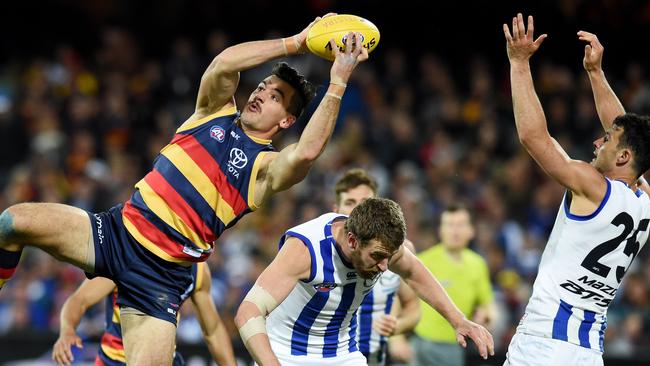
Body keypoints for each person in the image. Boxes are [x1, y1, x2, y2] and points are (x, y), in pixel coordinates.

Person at [0, 13, 369, 365]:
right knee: (11, 223)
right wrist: (296, 43)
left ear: (287, 120)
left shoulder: (264, 169)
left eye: (275, 97)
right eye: (261, 87)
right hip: (115, 232)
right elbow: (224, 64)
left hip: (160, 278)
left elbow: (305, 153)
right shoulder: (213, 111)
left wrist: (337, 82)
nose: (259, 95)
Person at [502, 13, 650, 366]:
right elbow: (626, 130)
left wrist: (519, 64)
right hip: (586, 351)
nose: (599, 141)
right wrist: (595, 73)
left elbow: (533, 138)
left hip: (543, 344)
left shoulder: (592, 185)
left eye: (608, 141)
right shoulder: (645, 198)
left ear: (624, 155)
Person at [234, 197, 494, 366]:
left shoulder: (383, 247)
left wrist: (458, 319)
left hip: (343, 355)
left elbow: (415, 273)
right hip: (284, 355)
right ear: (352, 241)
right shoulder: (306, 249)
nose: (384, 267)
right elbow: (248, 312)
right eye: (378, 257)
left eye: (389, 258)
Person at [51, 263, 236, 366]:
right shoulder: (125, 257)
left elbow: (213, 330)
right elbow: (79, 300)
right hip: (116, 362)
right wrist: (67, 330)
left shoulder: (197, 269)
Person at [332, 168, 421, 365]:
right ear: (335, 210)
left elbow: (413, 308)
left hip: (374, 358)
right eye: (349, 203)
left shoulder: (398, 253)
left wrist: (396, 328)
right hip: (330, 357)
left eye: (364, 204)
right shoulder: (320, 252)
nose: (356, 210)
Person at [411, 204, 495, 366]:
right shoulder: (423, 261)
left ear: (471, 230)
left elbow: (487, 303)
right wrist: (397, 339)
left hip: (455, 345)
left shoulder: (478, 264)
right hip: (421, 343)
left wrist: (486, 315)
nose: (454, 231)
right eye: (449, 225)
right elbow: (399, 298)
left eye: (460, 225)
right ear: (440, 230)